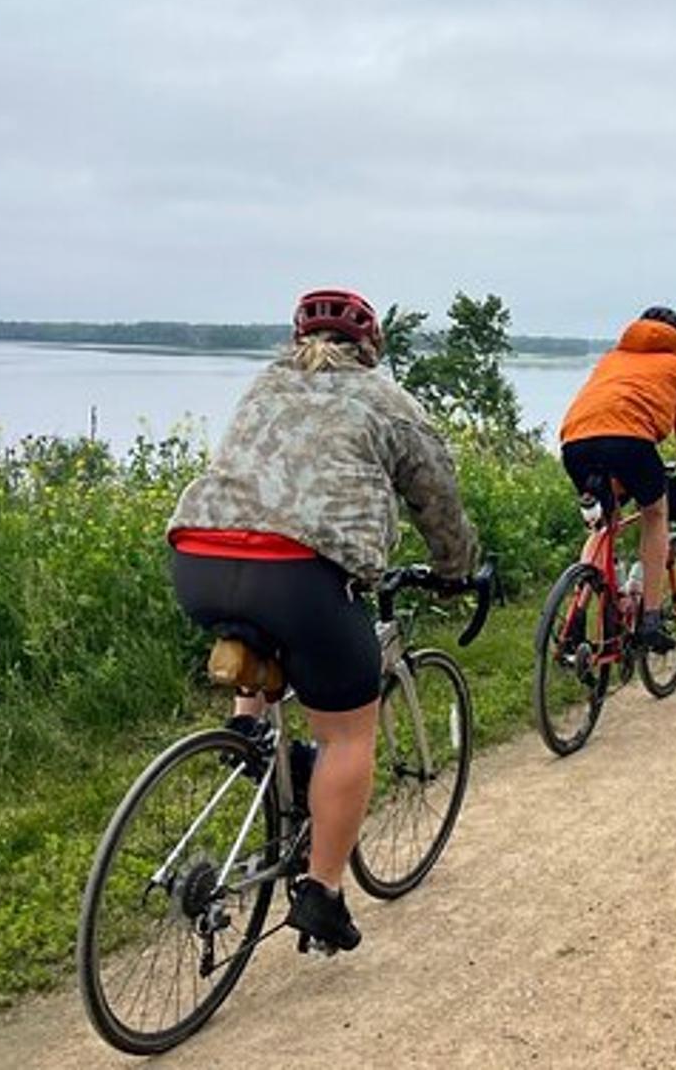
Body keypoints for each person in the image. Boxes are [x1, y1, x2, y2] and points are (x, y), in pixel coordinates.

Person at [166, 288, 478, 954]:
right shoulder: (387, 401)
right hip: (301, 574)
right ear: (370, 347)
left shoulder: (265, 384)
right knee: (346, 734)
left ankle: (252, 735)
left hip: (197, 558)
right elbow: (437, 499)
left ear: (297, 340)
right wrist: (455, 568)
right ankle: (324, 892)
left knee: (266, 632)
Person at [559, 306, 676, 651]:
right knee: (655, 515)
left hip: (575, 443)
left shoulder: (611, 359)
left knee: (604, 524)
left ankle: (575, 615)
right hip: (631, 442)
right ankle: (650, 620)